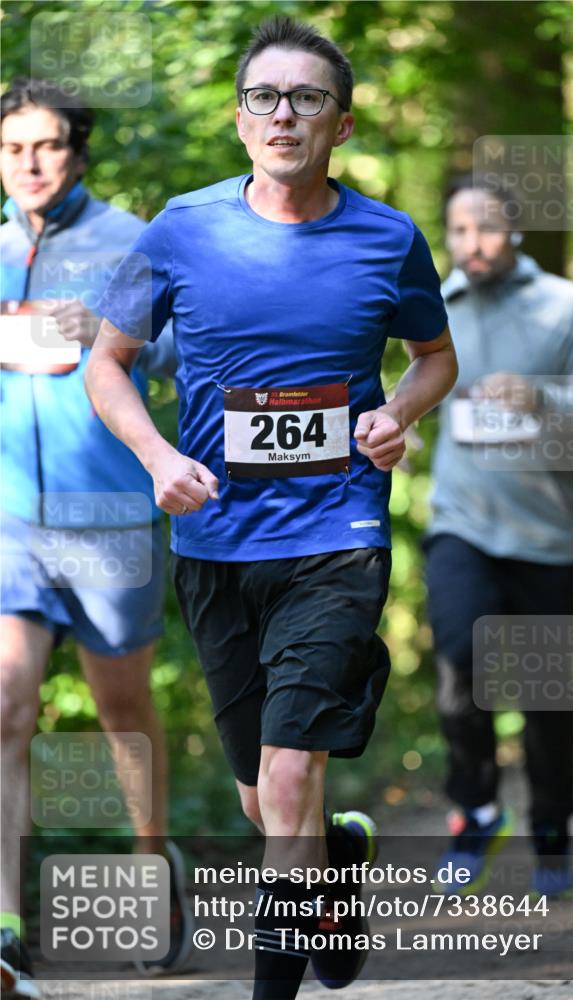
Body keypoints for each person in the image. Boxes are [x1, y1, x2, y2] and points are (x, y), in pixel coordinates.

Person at [85, 15, 457, 998]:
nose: (283, 113)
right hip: (214, 539)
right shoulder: (182, 229)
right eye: (265, 97)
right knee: (263, 796)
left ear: (340, 124)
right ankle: (334, 862)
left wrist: (397, 412)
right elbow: (108, 365)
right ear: (239, 120)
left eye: (306, 98)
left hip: (337, 533)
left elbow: (434, 358)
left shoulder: (388, 237)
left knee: (289, 775)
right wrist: (158, 454)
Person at [0, 79, 192, 998]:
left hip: (110, 517)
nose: (29, 165)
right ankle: (6, 923)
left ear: (76, 151)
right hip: (9, 519)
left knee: (121, 713)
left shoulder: (126, 239)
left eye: (46, 146)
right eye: (12, 148)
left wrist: (108, 332)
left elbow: (178, 357)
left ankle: (153, 872)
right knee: (6, 702)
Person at [425, 175, 573, 899]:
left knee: (545, 706)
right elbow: (407, 388)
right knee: (456, 669)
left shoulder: (563, 305)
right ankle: (474, 810)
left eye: (485, 229)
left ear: (516, 232)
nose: (470, 244)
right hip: (462, 523)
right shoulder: (433, 306)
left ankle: (550, 832)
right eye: (458, 231)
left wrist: (541, 397)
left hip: (547, 535)